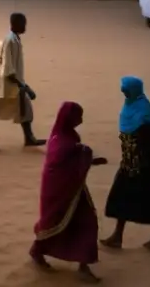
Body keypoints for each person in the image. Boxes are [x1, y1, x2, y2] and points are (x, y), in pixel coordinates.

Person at [30, 102, 107, 282]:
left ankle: (83, 264)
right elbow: (65, 160)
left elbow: (71, 159)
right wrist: (85, 153)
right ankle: (39, 252)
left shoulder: (62, 136)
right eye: (78, 116)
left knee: (79, 223)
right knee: (63, 223)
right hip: (61, 192)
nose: (81, 120)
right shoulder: (64, 142)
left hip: (70, 190)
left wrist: (89, 159)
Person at [101, 77, 150, 250]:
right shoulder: (130, 106)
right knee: (123, 197)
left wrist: (141, 155)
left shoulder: (143, 110)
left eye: (126, 90)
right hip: (129, 162)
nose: (123, 93)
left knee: (149, 198)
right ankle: (118, 236)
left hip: (142, 165)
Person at [0, 12, 45, 149]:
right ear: (15, 25)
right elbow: (8, 67)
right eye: (23, 24)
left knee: (25, 109)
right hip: (8, 82)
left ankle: (29, 137)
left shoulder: (14, 38)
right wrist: (24, 86)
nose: (25, 27)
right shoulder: (11, 41)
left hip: (14, 81)